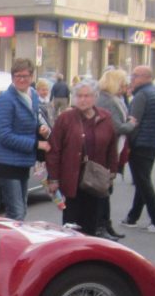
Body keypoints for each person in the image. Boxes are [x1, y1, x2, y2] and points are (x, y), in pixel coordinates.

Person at [44, 80, 120, 238]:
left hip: (96, 179)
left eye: (87, 96)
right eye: (79, 96)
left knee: (93, 222)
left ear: (95, 97)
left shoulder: (105, 117)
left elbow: (112, 148)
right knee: (72, 225)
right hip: (72, 179)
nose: (83, 100)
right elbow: (54, 150)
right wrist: (53, 178)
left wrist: (112, 171)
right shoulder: (66, 118)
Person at [0, 58, 49, 221]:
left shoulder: (33, 96)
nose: (22, 79)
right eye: (17, 76)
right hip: (6, 162)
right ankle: (11, 244)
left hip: (24, 161)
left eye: (25, 76)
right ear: (12, 77)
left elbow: (32, 122)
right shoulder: (5, 99)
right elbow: (4, 135)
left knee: (22, 208)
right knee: (16, 211)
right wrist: (37, 144)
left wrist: (39, 128)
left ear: (32, 76)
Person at [121, 65, 155, 233]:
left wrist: (129, 145)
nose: (132, 79)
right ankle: (132, 217)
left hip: (141, 143)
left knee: (143, 182)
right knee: (143, 180)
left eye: (135, 76)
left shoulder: (141, 96)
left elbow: (134, 122)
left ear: (144, 77)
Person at [96, 67, 137, 237]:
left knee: (107, 190)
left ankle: (106, 224)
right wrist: (131, 124)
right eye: (123, 84)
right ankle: (101, 226)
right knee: (103, 190)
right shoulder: (107, 101)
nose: (125, 87)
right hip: (106, 151)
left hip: (115, 149)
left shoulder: (115, 99)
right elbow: (116, 127)